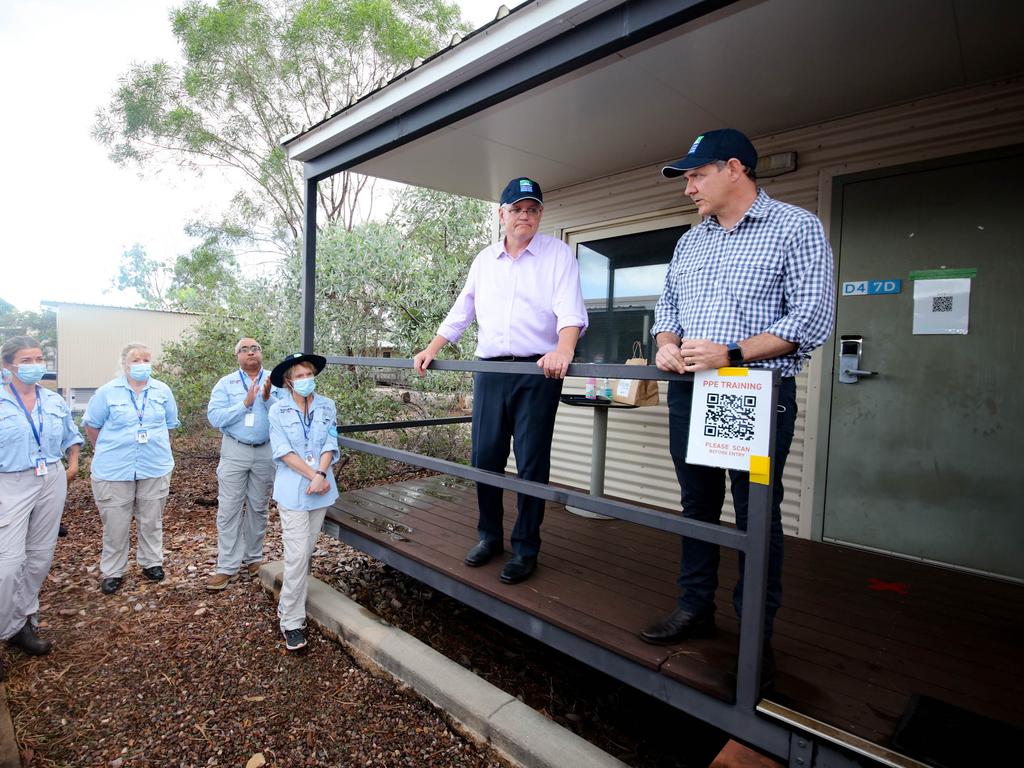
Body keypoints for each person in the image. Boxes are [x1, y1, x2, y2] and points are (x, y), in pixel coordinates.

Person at [641, 129, 835, 656]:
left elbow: (812, 318)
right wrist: (665, 343)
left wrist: (731, 354)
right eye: (686, 179)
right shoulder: (692, 239)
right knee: (697, 504)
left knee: (755, 514)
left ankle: (755, 633)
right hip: (691, 391)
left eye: (697, 176)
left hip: (750, 389)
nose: (689, 190)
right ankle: (694, 608)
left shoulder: (796, 228)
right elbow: (669, 310)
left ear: (735, 168)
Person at [413, 177, 588, 585]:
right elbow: (463, 309)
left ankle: (526, 547)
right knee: (485, 457)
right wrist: (433, 347)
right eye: (516, 209)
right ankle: (489, 536)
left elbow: (569, 311)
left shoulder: (558, 255)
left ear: (540, 214)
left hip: (536, 371)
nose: (524, 216)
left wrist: (564, 350)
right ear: (502, 214)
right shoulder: (484, 260)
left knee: (530, 463)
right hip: (491, 370)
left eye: (532, 209)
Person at [0, 336, 83, 675]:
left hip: (51, 476)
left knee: (40, 556)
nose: (35, 364)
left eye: (38, 358)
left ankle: (22, 623)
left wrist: (73, 463)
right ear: (8, 365)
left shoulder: (51, 399)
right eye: (26, 359)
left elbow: (71, 434)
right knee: (9, 561)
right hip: (10, 480)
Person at [83, 343, 180, 595]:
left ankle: (151, 562)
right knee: (115, 523)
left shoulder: (162, 391)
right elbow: (92, 426)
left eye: (146, 359)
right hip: (115, 468)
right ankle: (113, 570)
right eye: (136, 360)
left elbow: (170, 424)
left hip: (154, 465)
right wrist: (106, 448)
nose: (141, 364)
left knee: (151, 519)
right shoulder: (107, 392)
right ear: (124, 364)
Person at [267, 352, 340, 652]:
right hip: (294, 489)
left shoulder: (327, 406)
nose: (306, 380)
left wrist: (321, 474)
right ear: (288, 381)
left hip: (322, 488)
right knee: (297, 557)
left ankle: (287, 606)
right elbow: (283, 452)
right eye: (299, 376)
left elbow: (330, 442)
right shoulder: (278, 410)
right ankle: (292, 622)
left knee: (305, 552)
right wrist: (312, 475)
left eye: (309, 374)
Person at [205, 338, 281, 591]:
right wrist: (244, 404)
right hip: (235, 449)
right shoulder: (225, 383)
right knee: (229, 508)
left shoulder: (276, 379)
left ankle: (253, 558)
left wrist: (268, 397)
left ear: (261, 353)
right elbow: (215, 417)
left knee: (259, 508)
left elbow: (287, 411)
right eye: (244, 349)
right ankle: (227, 566)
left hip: (265, 450)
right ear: (237, 356)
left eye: (255, 348)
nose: (251, 352)